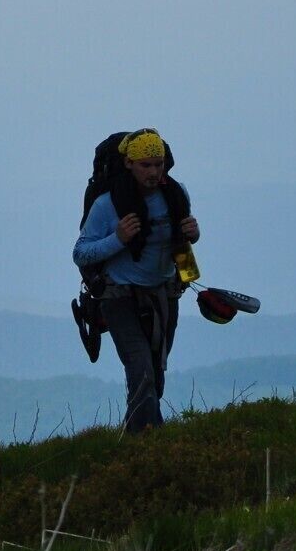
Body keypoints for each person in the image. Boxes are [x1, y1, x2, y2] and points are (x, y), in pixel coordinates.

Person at [72, 129, 200, 432]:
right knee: (140, 367)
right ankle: (149, 438)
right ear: (128, 164)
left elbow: (180, 242)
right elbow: (81, 253)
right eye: (146, 165)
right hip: (119, 296)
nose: (154, 172)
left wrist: (194, 238)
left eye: (158, 164)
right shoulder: (107, 205)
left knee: (155, 371)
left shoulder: (176, 194)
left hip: (166, 293)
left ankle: (138, 437)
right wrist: (118, 239)